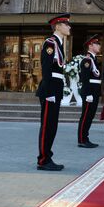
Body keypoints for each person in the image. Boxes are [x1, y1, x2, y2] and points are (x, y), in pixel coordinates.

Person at [35, 13, 70, 171]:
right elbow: (47, 69)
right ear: (58, 26)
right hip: (50, 89)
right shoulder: (51, 43)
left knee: (52, 125)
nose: (69, 27)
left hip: (56, 87)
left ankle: (47, 156)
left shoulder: (59, 43)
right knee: (47, 125)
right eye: (66, 24)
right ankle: (43, 159)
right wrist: (49, 92)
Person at [77, 34, 102, 148]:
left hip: (94, 91)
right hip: (89, 92)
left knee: (90, 116)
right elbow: (85, 78)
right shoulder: (87, 60)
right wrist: (88, 94)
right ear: (90, 46)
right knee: (86, 115)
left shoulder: (93, 60)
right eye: (97, 44)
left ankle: (85, 137)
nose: (99, 46)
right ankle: (82, 139)